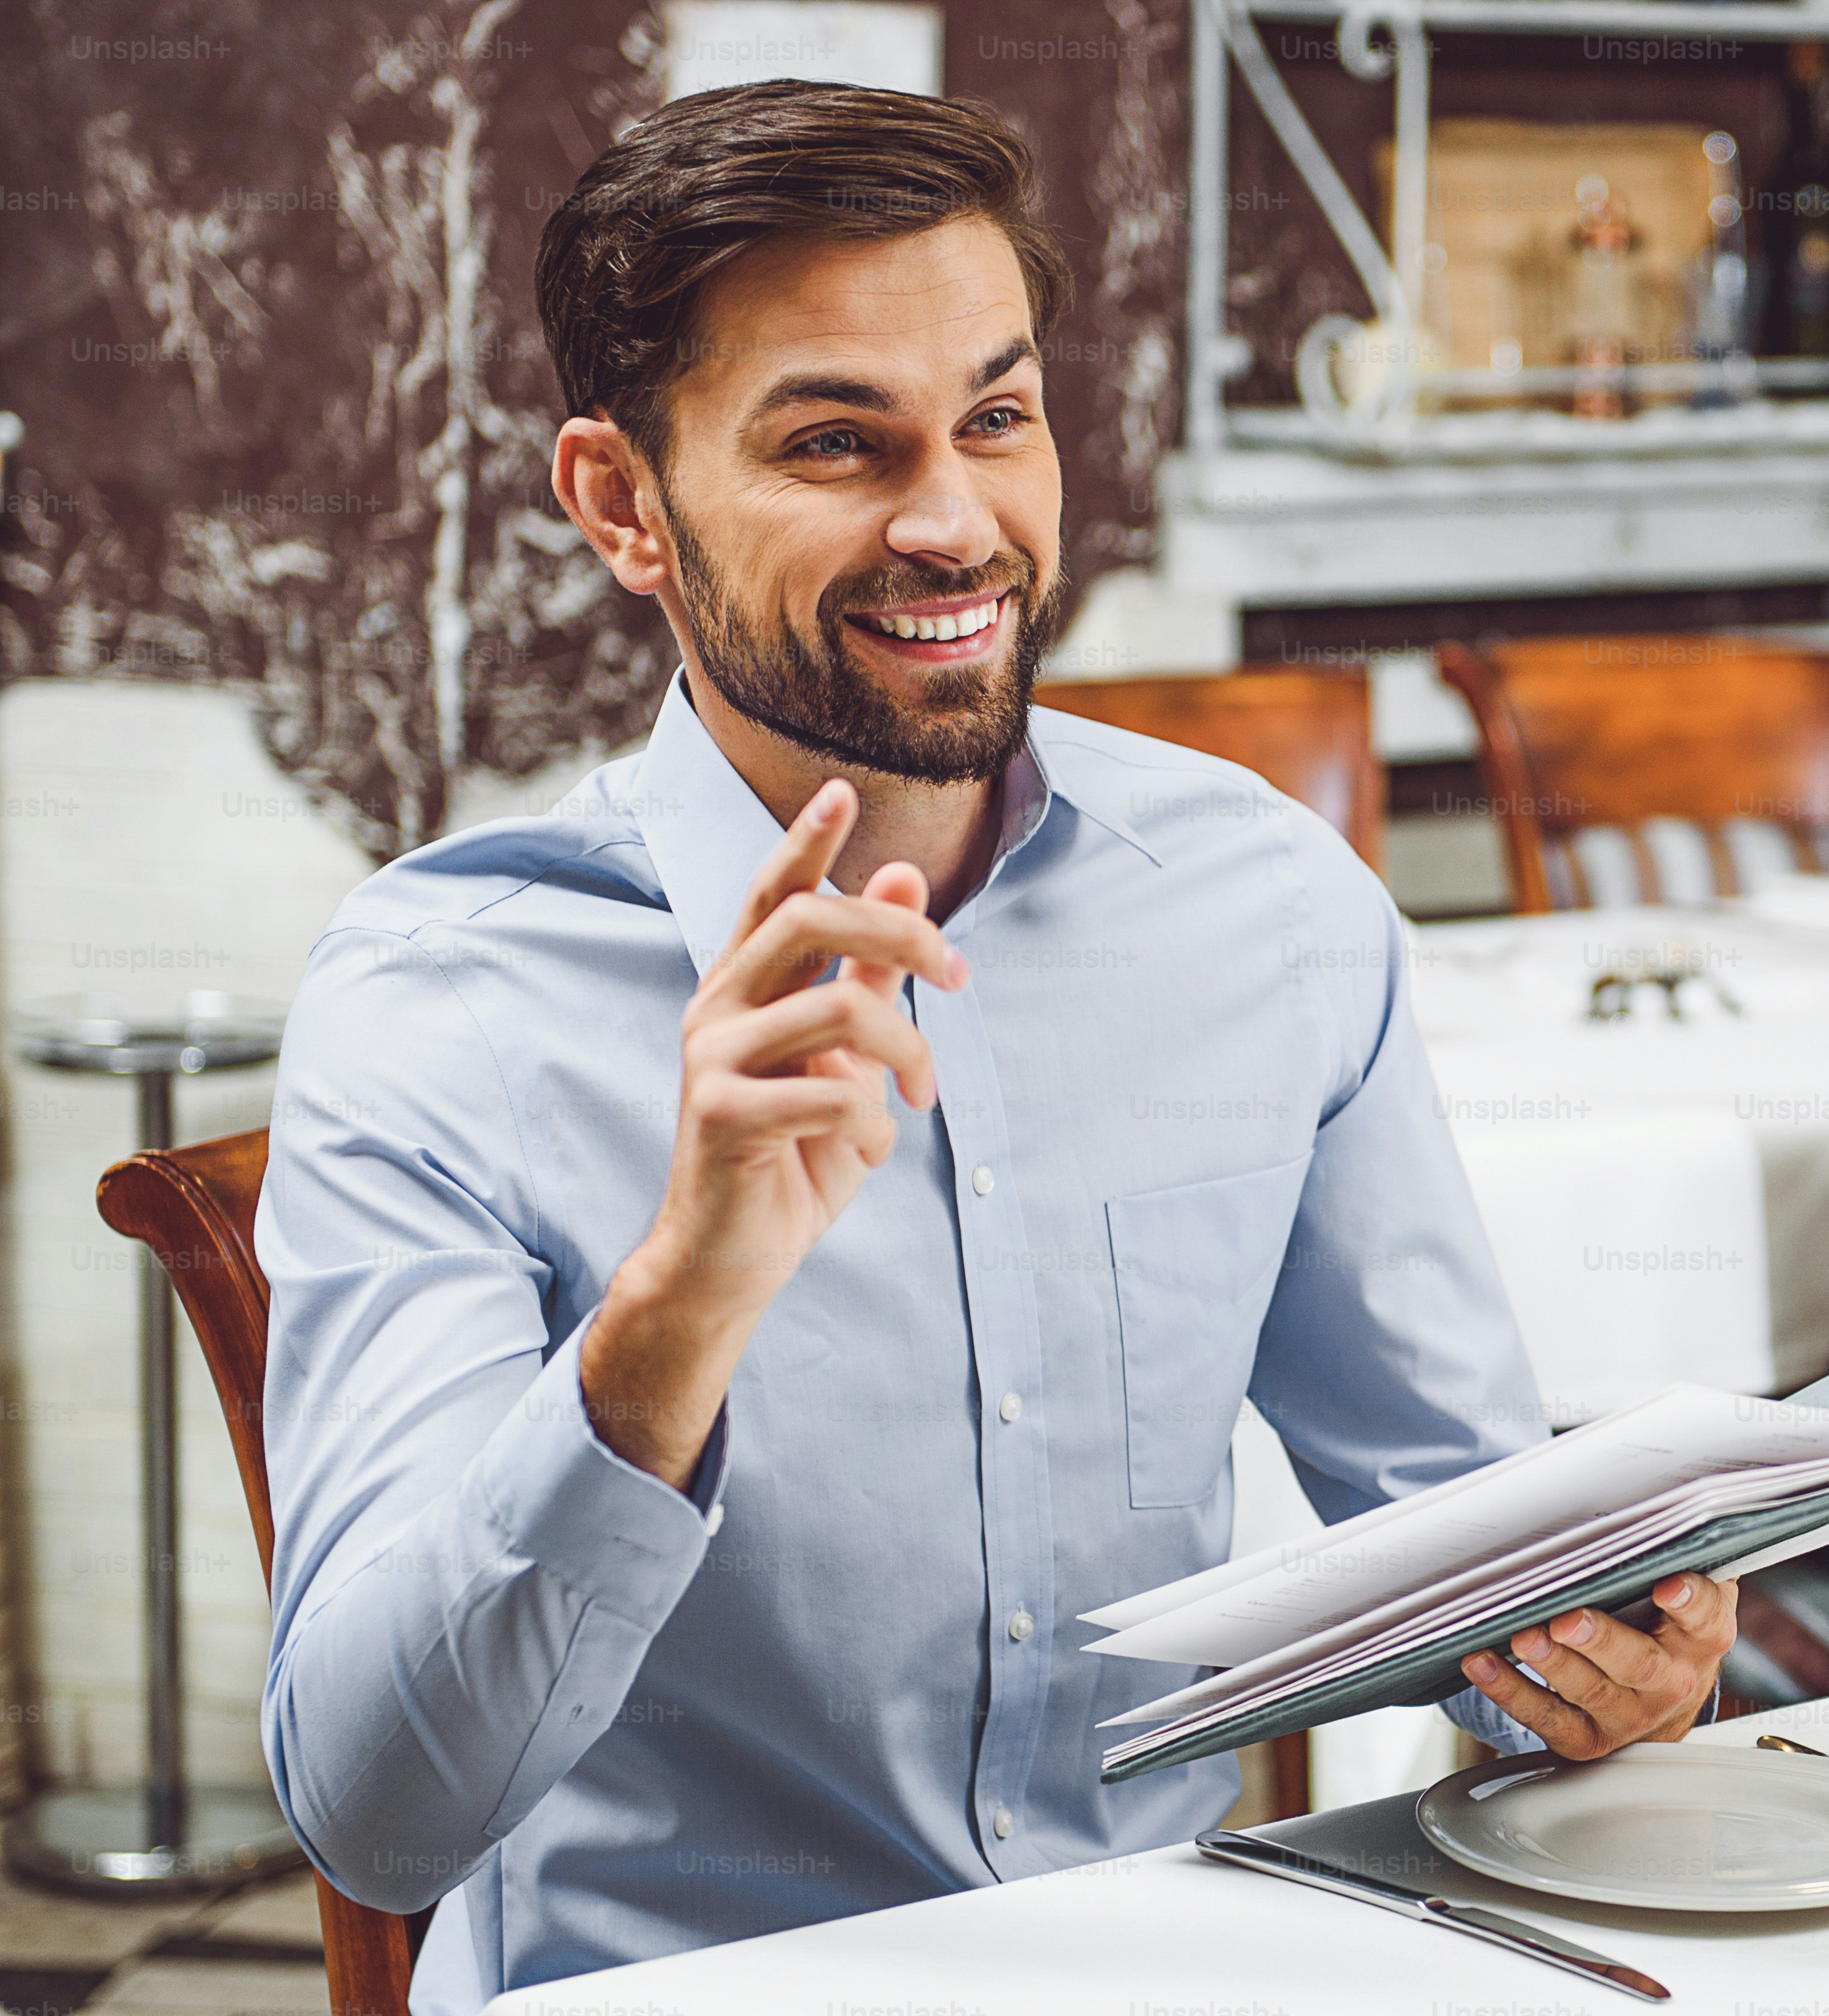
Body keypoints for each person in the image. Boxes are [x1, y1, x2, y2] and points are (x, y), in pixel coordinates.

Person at [255, 80, 1736, 2012]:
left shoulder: (1270, 912)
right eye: (834, 445)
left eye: (996, 419)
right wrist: (677, 1311)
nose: (952, 523)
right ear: (626, 505)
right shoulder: (435, 998)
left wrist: (1600, 1651)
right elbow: (377, 1817)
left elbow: (1449, 1551)